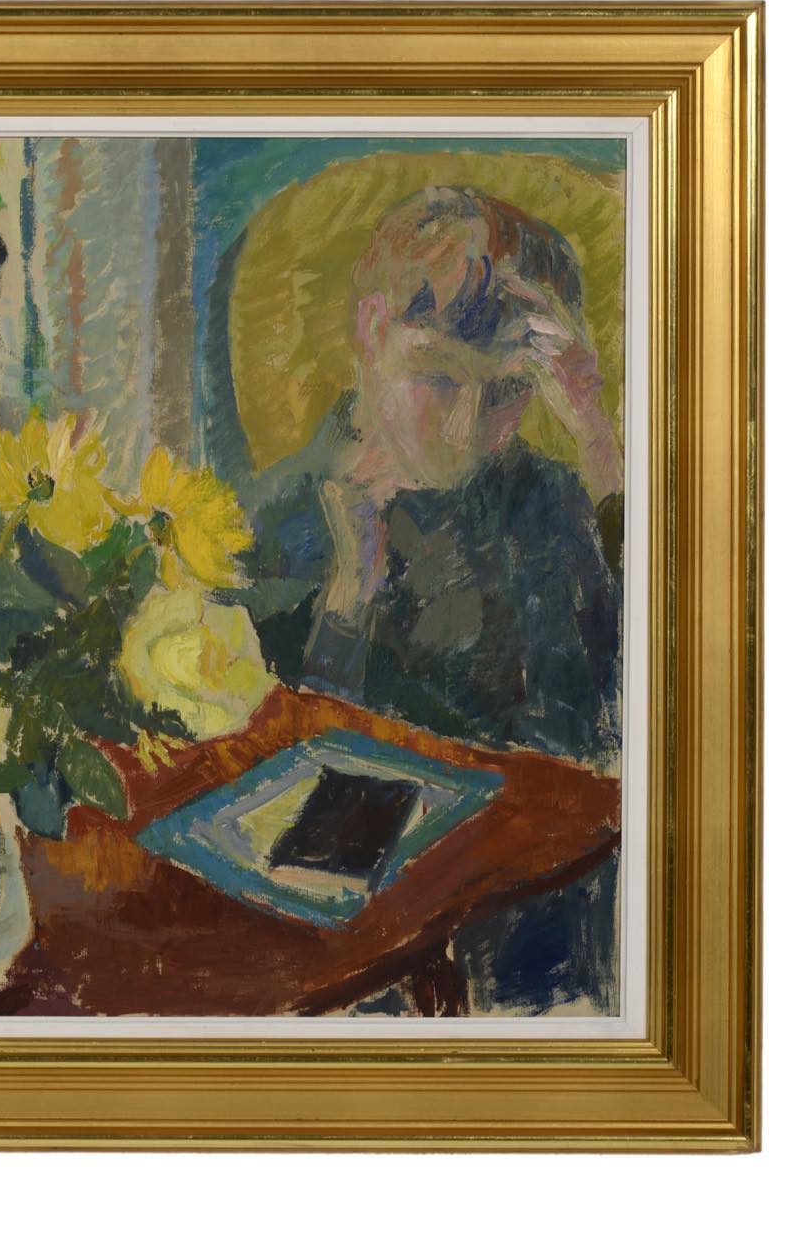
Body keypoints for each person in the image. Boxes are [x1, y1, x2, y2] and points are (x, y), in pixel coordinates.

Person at [233, 186, 624, 1012]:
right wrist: (350, 598)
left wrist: (597, 438)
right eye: (438, 377)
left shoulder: (550, 505)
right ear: (372, 330)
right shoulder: (283, 525)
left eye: (509, 392)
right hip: (366, 954)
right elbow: (272, 801)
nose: (465, 431)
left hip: (547, 925)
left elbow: (621, 728)